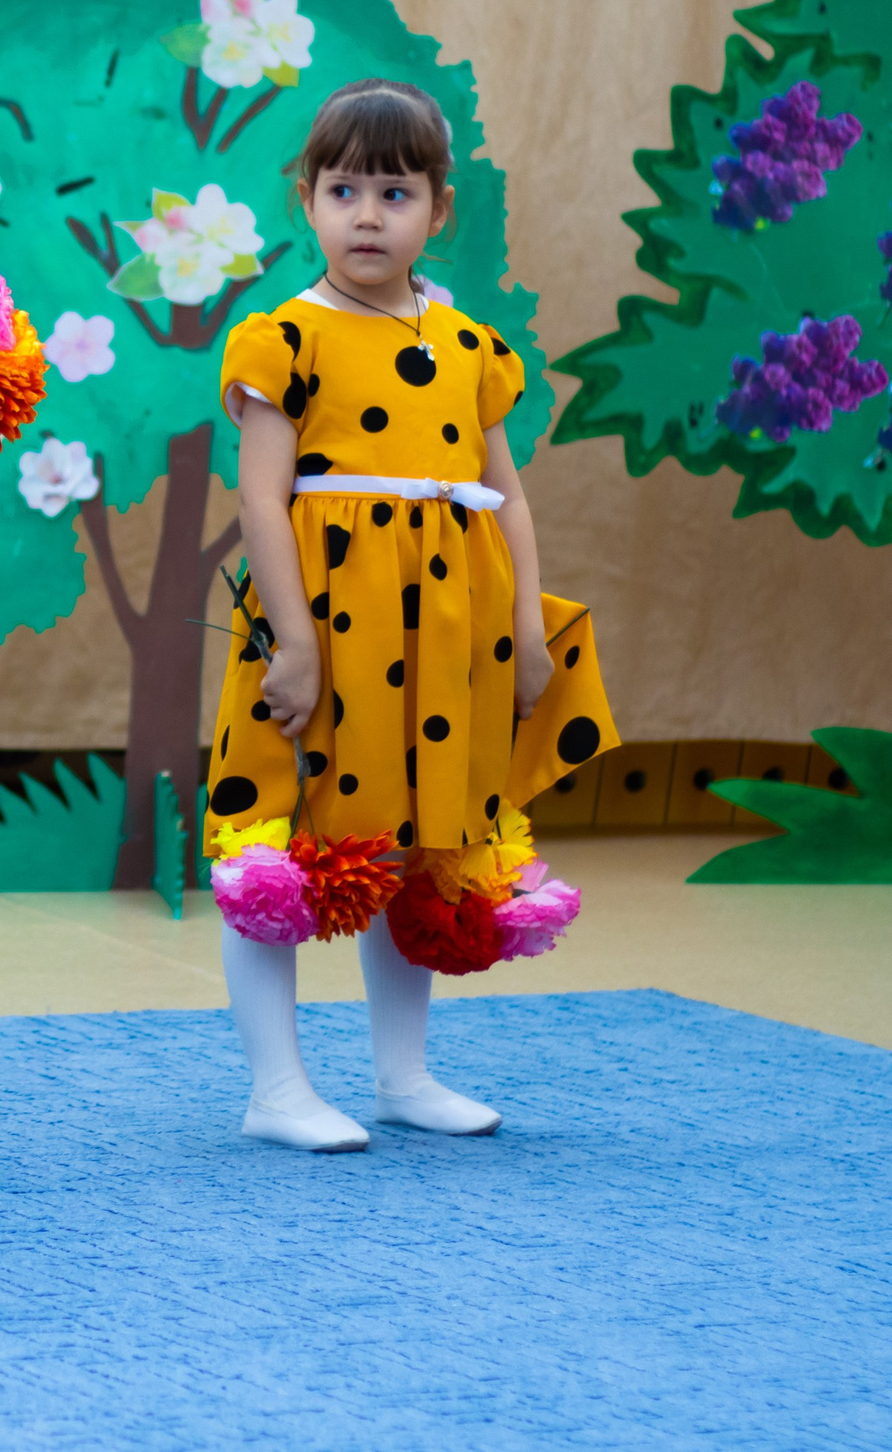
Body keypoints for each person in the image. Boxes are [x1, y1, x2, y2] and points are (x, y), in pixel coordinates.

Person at [205, 77, 614, 1151]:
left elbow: (505, 496)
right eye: (343, 189)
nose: (367, 214)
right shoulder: (281, 341)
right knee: (277, 844)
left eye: (395, 191)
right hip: (327, 625)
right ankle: (275, 1088)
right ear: (307, 201)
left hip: (443, 632)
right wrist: (292, 642)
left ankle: (401, 1074)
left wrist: (524, 631)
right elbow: (259, 500)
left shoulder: (472, 348)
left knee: (418, 835)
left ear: (438, 209)